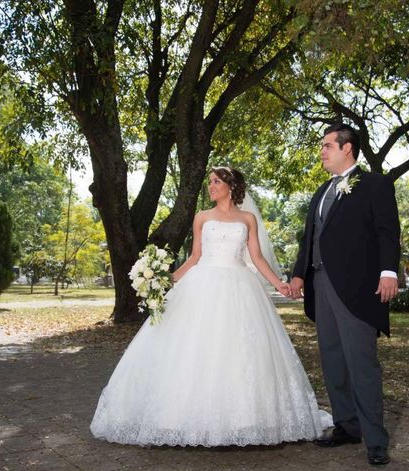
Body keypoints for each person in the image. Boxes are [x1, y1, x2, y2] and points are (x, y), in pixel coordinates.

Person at [90, 166, 331, 447]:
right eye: (210, 183)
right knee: (193, 350)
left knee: (240, 352)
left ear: (230, 186)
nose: (211, 186)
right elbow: (194, 258)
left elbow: (256, 258)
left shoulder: (247, 219)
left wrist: (280, 285)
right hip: (202, 285)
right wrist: (165, 282)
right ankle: (178, 419)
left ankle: (244, 419)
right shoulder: (202, 218)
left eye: (216, 182)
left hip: (240, 287)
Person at [290, 123, 401, 466]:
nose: (321, 151)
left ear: (347, 148)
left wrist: (388, 271)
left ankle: (376, 440)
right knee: (333, 359)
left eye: (327, 145)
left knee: (361, 363)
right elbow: (310, 239)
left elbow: (387, 231)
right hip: (321, 286)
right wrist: (298, 274)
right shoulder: (321, 191)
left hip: (356, 288)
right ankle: (346, 425)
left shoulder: (374, 185)